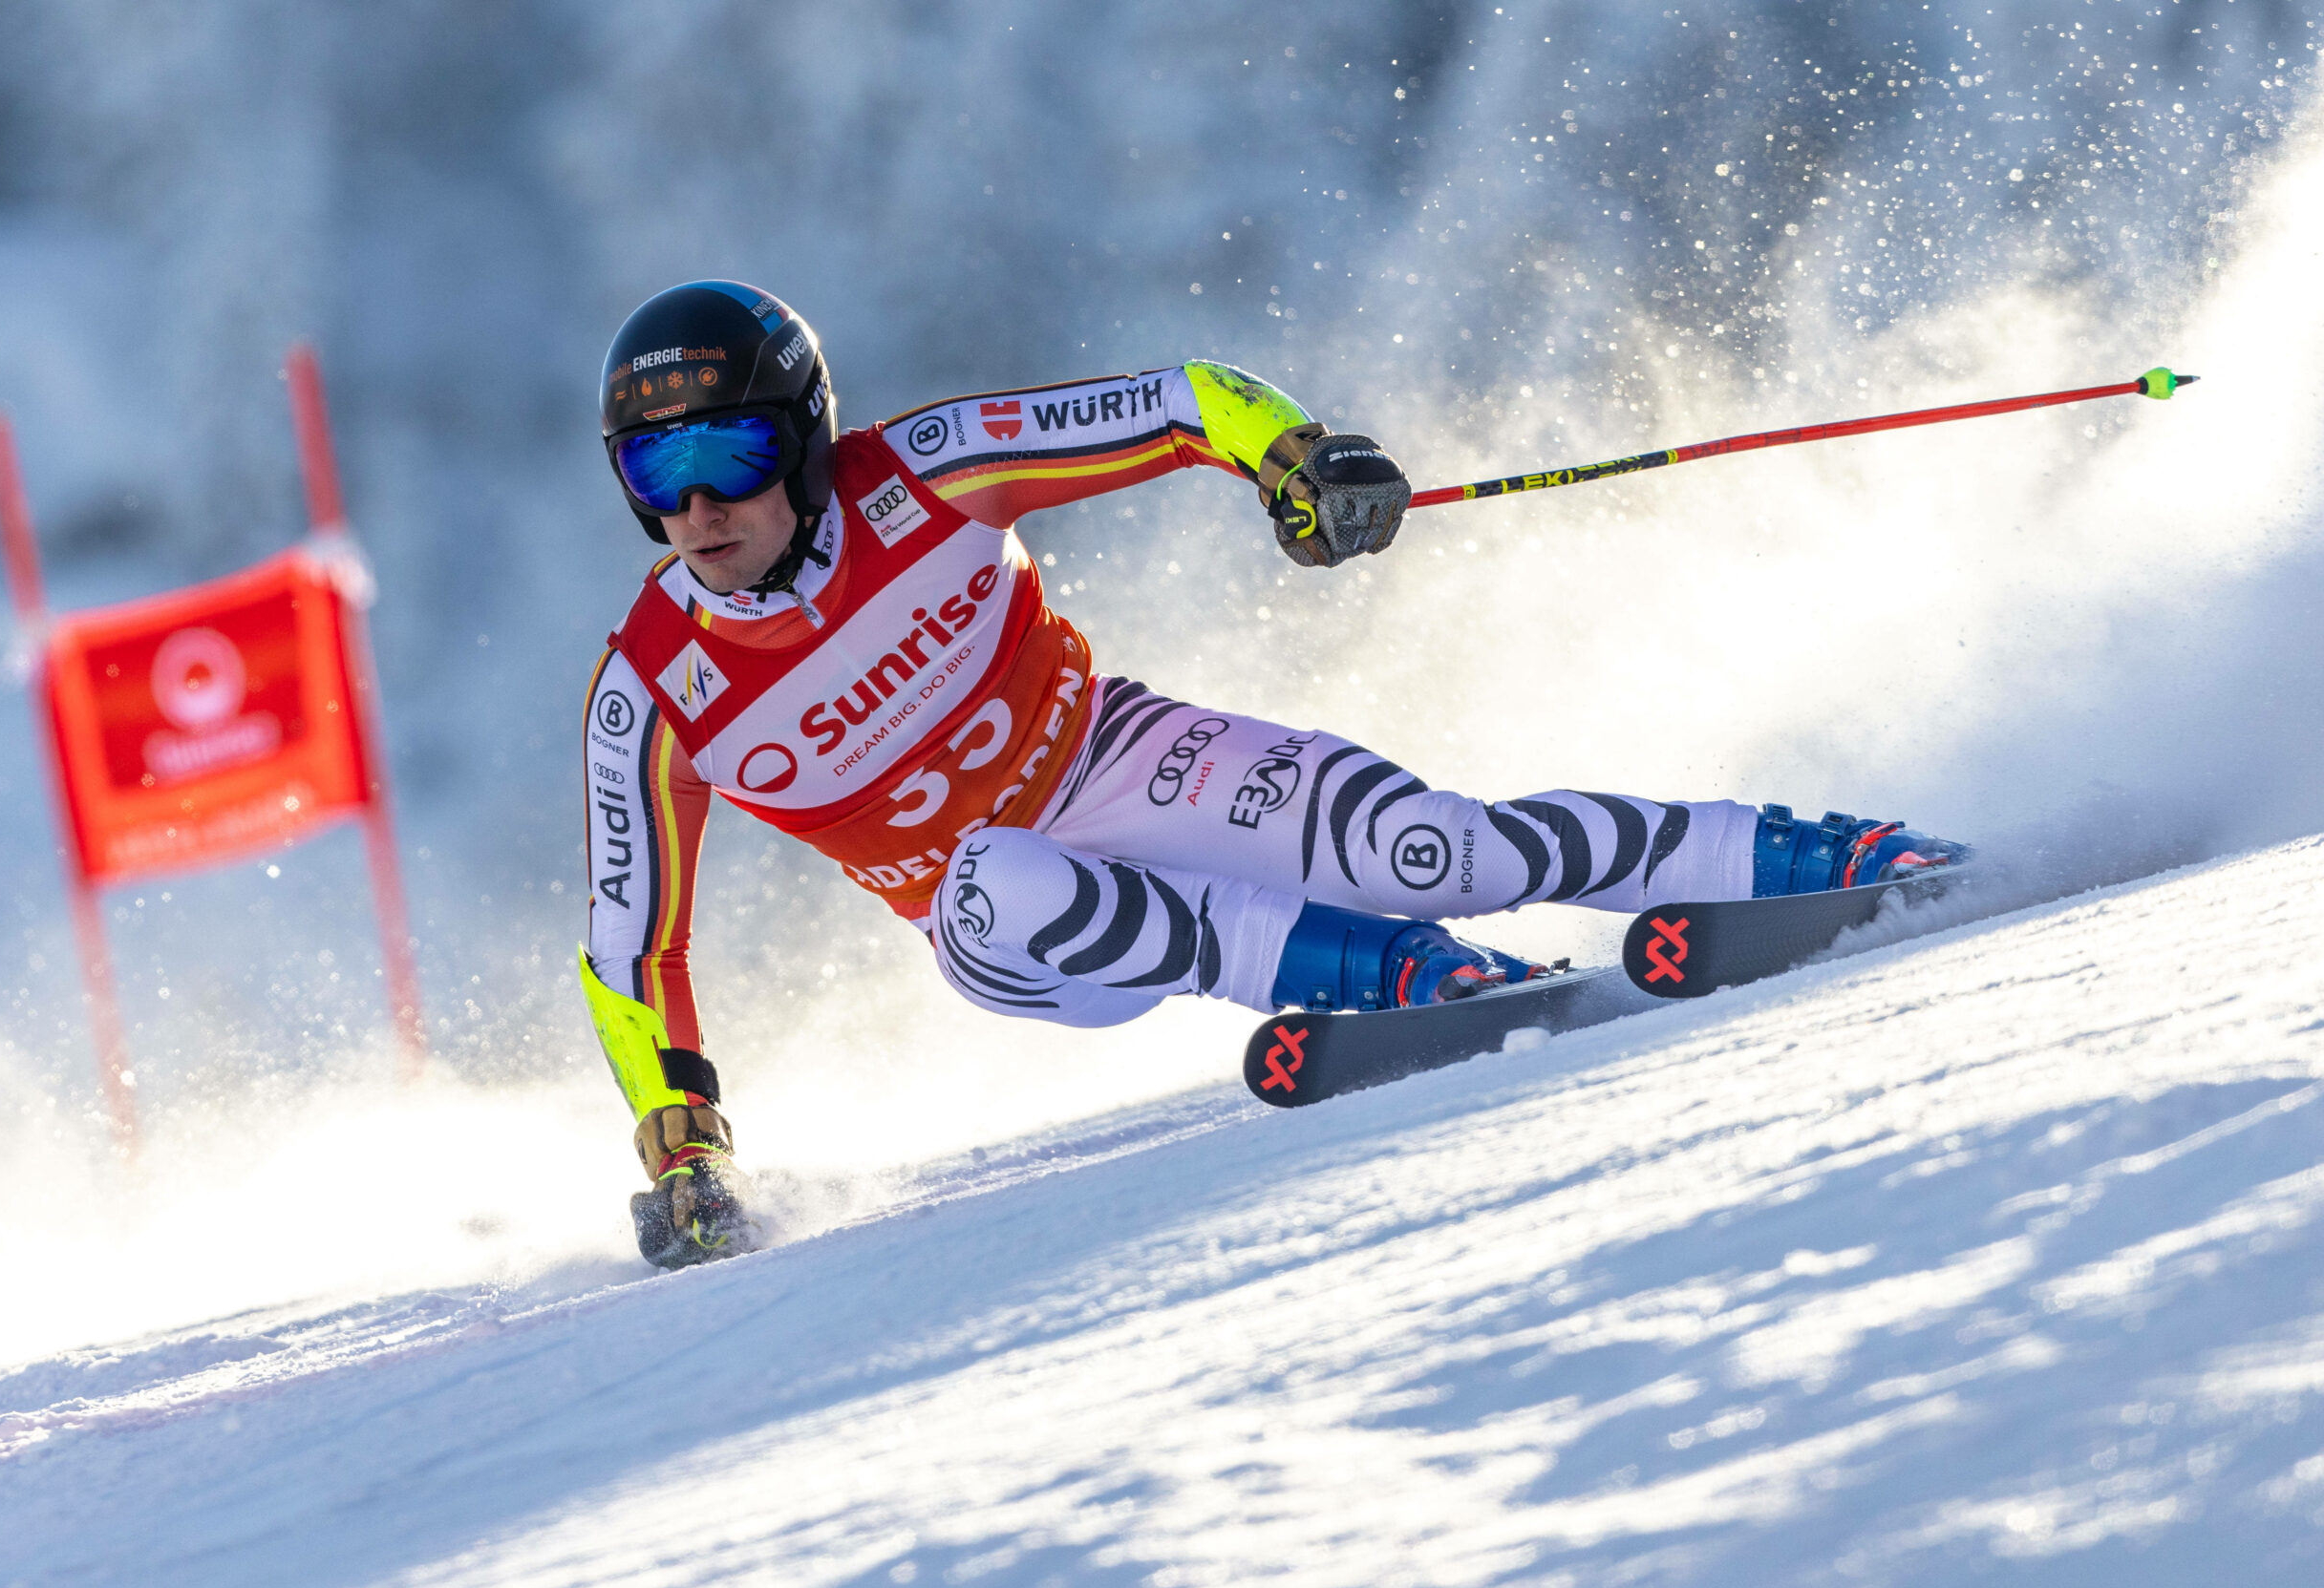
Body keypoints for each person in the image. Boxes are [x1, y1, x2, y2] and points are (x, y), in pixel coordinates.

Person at [578, 281, 1965, 1267]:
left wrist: (1299, 458)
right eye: (657, 471)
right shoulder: (652, 692)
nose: (699, 507)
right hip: (1012, 930)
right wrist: (682, 1140)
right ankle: (1385, 974)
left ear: (806, 439)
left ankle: (1809, 857)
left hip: (1117, 753)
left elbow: (1179, 404)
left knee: (1437, 850)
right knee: (994, 876)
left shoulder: (926, 473)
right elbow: (633, 950)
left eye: (732, 454)